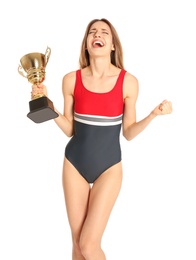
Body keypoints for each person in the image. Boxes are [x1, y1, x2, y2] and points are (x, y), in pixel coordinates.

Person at [32, 18, 173, 260]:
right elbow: (69, 130)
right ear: (87, 44)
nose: (98, 34)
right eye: (92, 32)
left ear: (112, 45)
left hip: (109, 167)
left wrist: (153, 115)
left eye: (104, 32)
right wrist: (47, 104)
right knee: (77, 245)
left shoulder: (128, 82)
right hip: (74, 164)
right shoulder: (71, 79)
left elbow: (128, 132)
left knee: (89, 244)